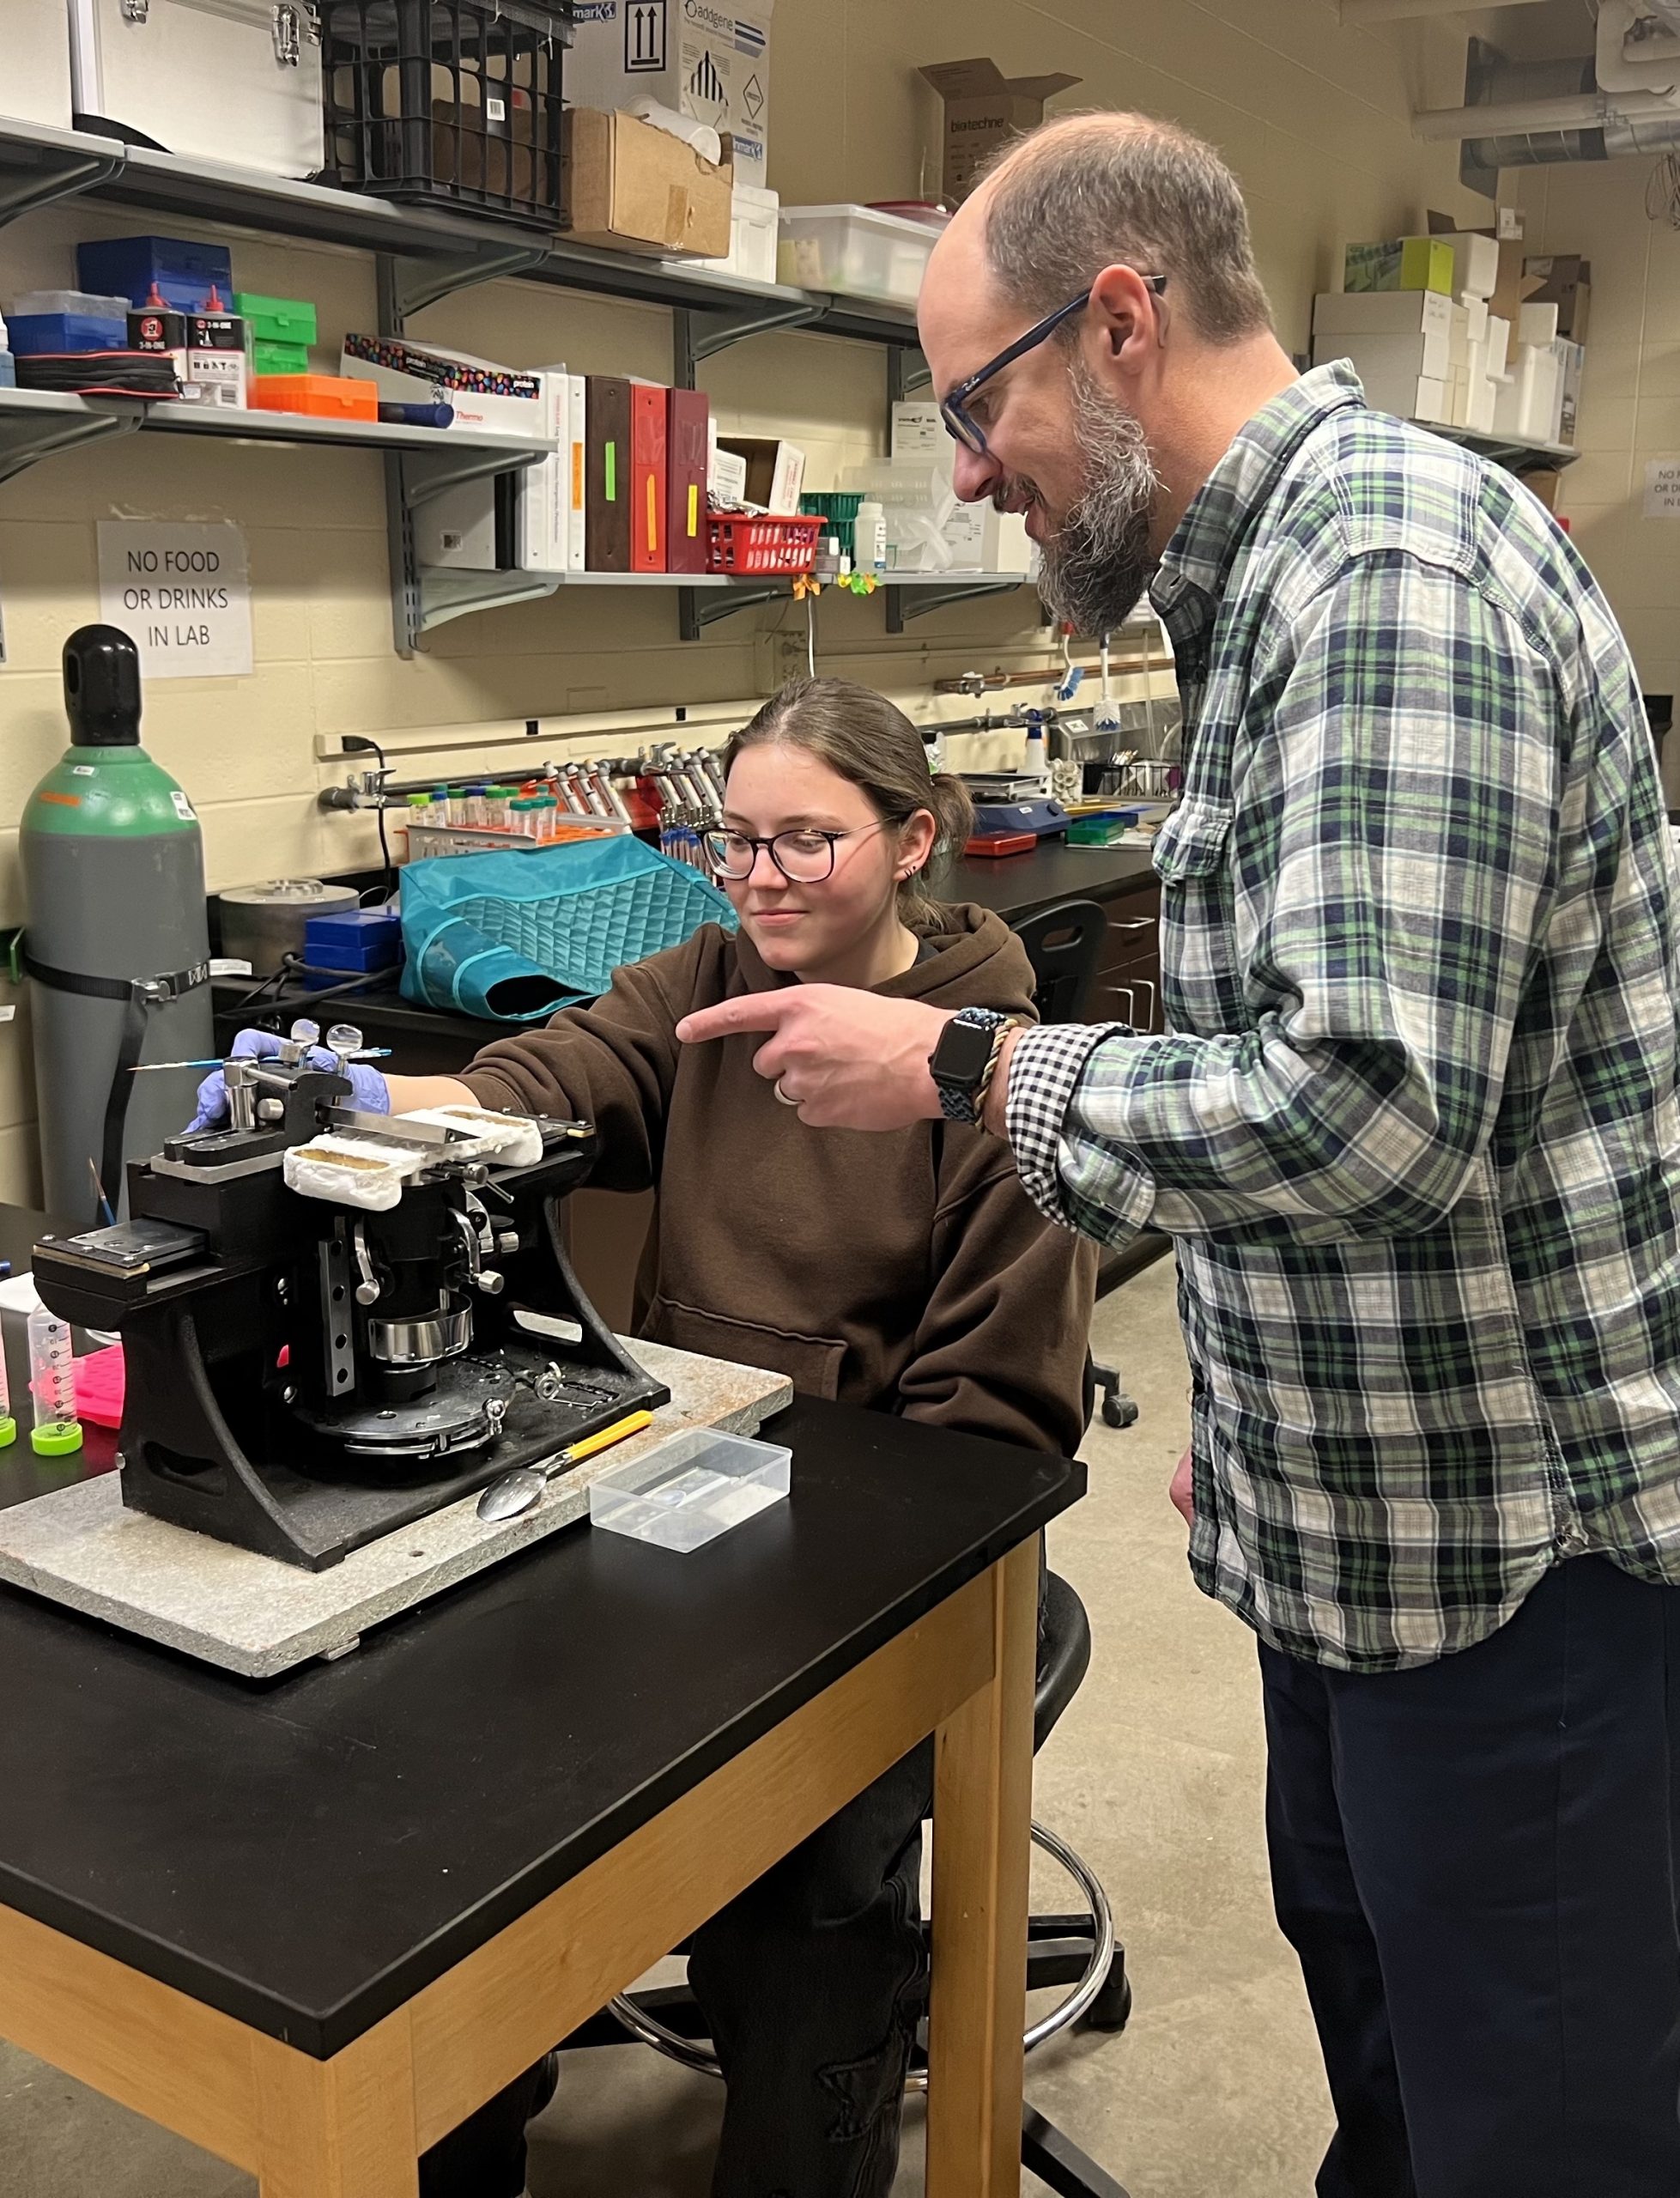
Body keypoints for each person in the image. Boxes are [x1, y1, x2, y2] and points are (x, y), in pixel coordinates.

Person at [676, 114, 1680, 2198]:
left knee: (1539, 2125)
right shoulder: (1260, 593)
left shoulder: (1385, 579)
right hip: (1371, 1519)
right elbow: (1293, 1077)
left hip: (1515, 1564)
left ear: (1115, 323)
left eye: (975, 404)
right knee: (1403, 2083)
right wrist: (1257, 1385)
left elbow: (1373, 1110)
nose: (965, 468)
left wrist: (972, 1061)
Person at [195, 675, 1095, 2198]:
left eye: (806, 842)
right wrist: (354, 1106)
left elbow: (989, 1438)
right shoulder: (702, 984)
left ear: (912, 841)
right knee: (444, 1819)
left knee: (808, 1886)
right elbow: (545, 1085)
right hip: (664, 1503)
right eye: (732, 839)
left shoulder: (989, 1078)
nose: (758, 878)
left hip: (872, 1571)